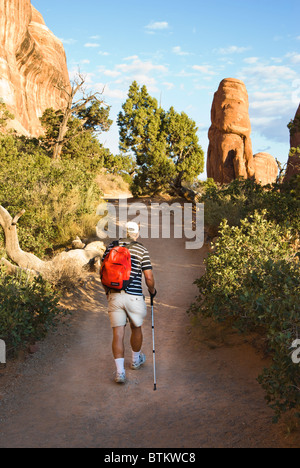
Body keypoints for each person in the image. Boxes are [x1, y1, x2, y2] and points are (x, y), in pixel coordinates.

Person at [102, 221, 156, 384]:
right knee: (136, 327)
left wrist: (108, 292)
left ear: (124, 232)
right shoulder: (141, 249)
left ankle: (120, 373)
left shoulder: (111, 246)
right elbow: (148, 277)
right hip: (134, 297)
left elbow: (102, 271)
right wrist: (152, 291)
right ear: (136, 234)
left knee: (118, 334)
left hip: (114, 295)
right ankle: (135, 360)